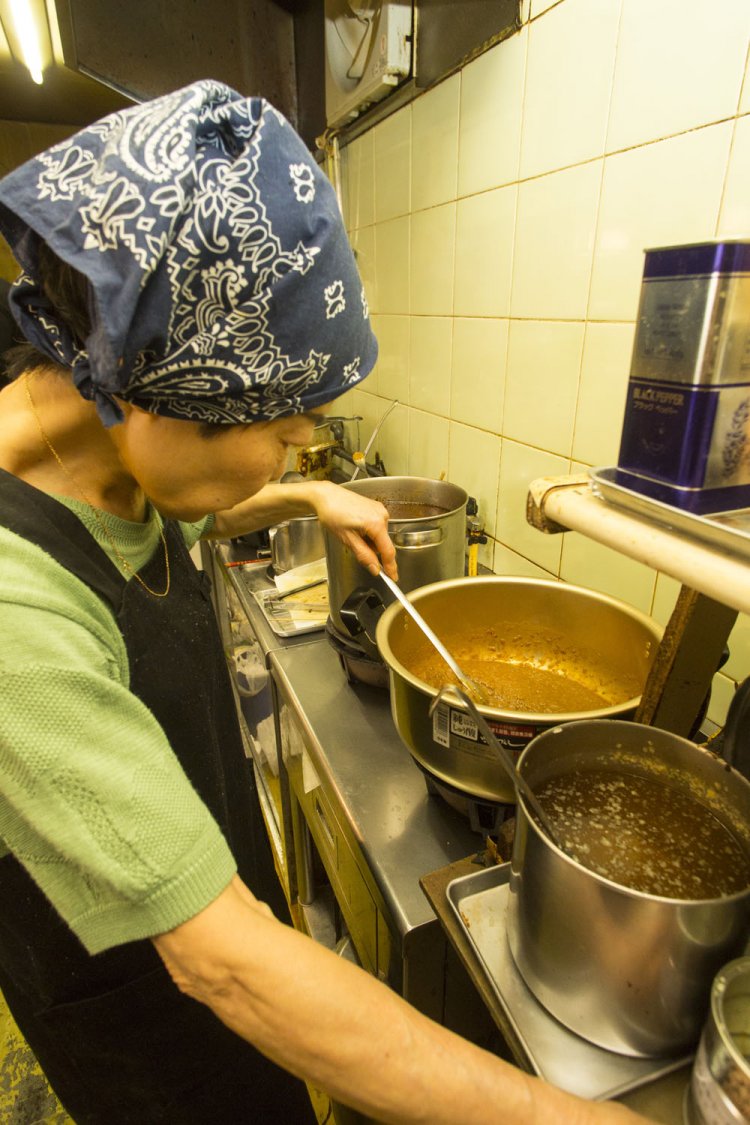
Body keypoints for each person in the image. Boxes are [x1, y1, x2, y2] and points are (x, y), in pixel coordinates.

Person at [0, 81, 652, 1125]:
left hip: (209, 908)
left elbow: (185, 509)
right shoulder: (12, 613)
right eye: (291, 431)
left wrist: (307, 491)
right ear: (166, 389)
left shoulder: (106, 444)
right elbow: (230, 967)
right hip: (141, 1006)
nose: (304, 447)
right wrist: (566, 1117)